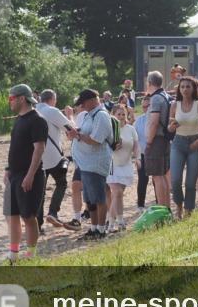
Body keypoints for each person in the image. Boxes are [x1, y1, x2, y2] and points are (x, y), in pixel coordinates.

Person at [2, 84, 47, 262]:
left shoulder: (37, 119)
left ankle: (31, 254)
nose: (9, 102)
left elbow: (39, 149)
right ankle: (13, 254)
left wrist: (30, 175)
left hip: (29, 175)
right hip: (14, 174)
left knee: (28, 216)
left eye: (11, 98)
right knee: (11, 214)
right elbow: (15, 148)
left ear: (22, 98)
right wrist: (8, 169)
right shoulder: (19, 119)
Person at [66, 88, 113, 239]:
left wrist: (77, 135)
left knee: (98, 198)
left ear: (93, 100)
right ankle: (93, 228)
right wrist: (75, 132)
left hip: (95, 163)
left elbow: (96, 140)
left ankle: (101, 229)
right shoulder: (88, 115)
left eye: (83, 103)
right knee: (89, 199)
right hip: (85, 164)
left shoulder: (101, 116)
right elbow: (85, 133)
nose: (82, 106)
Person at [35, 89, 80, 232]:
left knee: (40, 191)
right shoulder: (52, 111)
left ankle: (38, 224)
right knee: (61, 183)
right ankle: (53, 212)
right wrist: (70, 115)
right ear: (52, 99)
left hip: (35, 157)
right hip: (52, 157)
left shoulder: (32, 110)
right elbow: (72, 129)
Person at [168, 76, 198, 218]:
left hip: (195, 143)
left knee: (190, 182)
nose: (185, 89)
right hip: (178, 143)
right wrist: (171, 127)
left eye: (188, 86)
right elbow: (169, 128)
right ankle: (178, 207)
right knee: (175, 180)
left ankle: (189, 210)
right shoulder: (174, 105)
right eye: (182, 87)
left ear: (194, 88)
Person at [107, 104, 139, 232]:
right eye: (118, 114)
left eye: (123, 114)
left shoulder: (130, 129)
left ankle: (115, 222)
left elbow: (136, 145)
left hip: (126, 164)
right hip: (112, 164)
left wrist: (138, 158)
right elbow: (103, 146)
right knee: (117, 192)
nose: (121, 117)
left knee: (118, 195)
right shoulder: (109, 129)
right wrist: (113, 146)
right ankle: (115, 222)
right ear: (113, 115)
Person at [143, 71, 171, 209]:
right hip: (165, 139)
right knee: (163, 175)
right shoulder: (165, 95)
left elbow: (154, 122)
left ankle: (161, 208)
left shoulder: (155, 99)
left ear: (149, 82)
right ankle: (166, 207)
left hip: (157, 140)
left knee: (157, 176)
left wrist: (148, 141)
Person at [134, 95, 152, 210]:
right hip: (142, 154)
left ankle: (159, 202)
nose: (146, 109)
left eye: (148, 106)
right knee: (142, 180)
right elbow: (135, 140)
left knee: (157, 179)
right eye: (144, 107)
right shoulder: (139, 120)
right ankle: (140, 204)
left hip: (156, 154)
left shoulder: (158, 118)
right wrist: (136, 157)